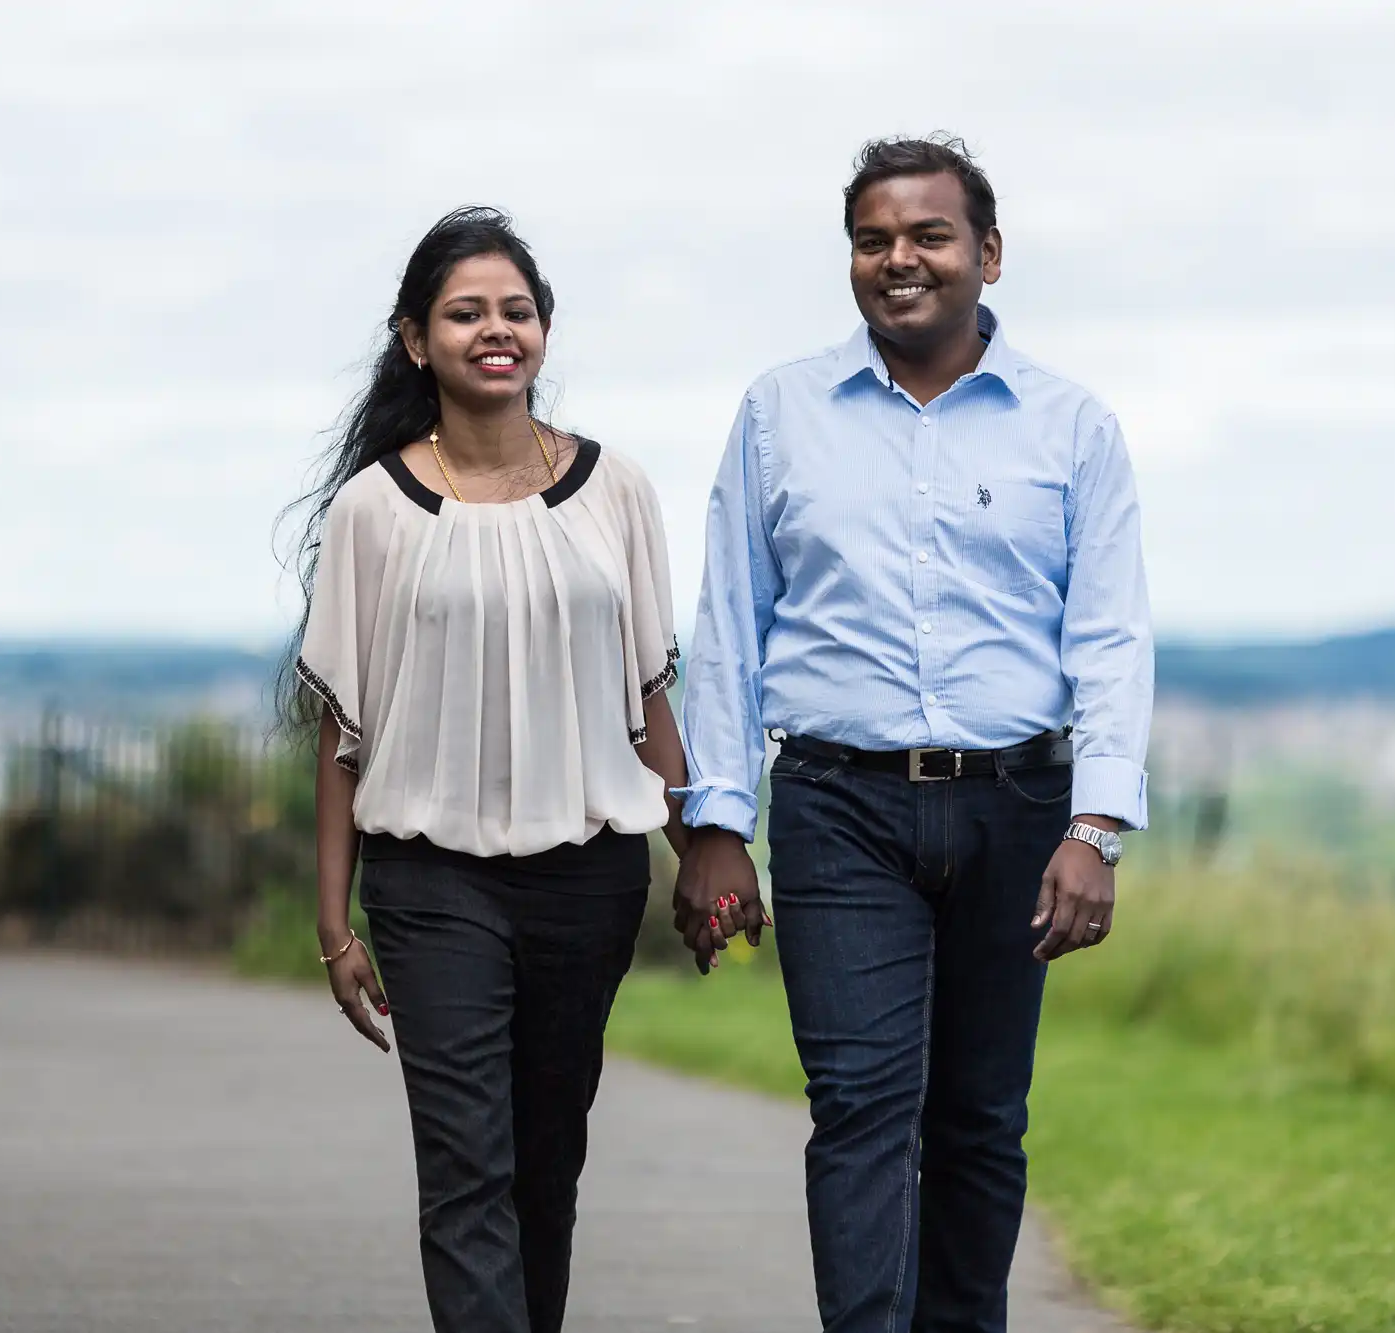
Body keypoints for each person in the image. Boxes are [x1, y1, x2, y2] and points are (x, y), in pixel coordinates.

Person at [674, 135, 1154, 1332]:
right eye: (873, 239)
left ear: (986, 254)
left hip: (1018, 805)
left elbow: (1110, 639)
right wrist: (715, 823)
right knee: (860, 1104)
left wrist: (1095, 824)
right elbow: (729, 623)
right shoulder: (780, 414)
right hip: (839, 805)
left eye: (928, 235)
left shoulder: (1070, 427)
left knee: (983, 1116)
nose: (900, 259)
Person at [281, 206, 691, 1333]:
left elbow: (649, 691)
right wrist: (334, 921)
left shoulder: (617, 490)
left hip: (588, 877)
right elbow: (341, 731)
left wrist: (701, 847)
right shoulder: (374, 509)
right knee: (466, 1172)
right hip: (430, 884)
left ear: (544, 332)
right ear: (417, 340)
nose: (494, 330)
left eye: (516, 310)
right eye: (465, 313)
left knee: (542, 1167)